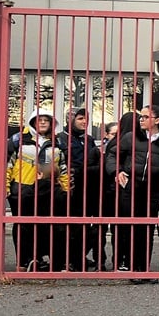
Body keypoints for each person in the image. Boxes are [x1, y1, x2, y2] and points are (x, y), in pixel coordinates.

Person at [6, 108, 70, 271]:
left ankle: (40, 259)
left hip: (47, 190)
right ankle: (23, 262)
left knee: (46, 225)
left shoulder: (57, 142)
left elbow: (63, 167)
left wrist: (65, 190)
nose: (42, 123)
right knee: (23, 226)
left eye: (46, 120)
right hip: (23, 187)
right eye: (39, 120)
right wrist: (7, 188)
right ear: (33, 122)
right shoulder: (19, 140)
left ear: (51, 123)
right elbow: (8, 165)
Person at [117, 105, 159, 283]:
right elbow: (114, 155)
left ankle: (144, 269)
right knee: (132, 228)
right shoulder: (130, 137)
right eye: (140, 117)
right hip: (132, 188)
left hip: (153, 189)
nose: (141, 119)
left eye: (145, 117)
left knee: (147, 228)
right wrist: (117, 171)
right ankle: (133, 269)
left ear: (157, 120)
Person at [57, 107, 102, 271]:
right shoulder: (60, 139)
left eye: (86, 119)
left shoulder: (89, 140)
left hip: (89, 188)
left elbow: (95, 161)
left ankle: (79, 257)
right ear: (70, 119)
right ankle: (68, 259)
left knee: (88, 226)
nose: (84, 122)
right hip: (70, 187)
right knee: (71, 225)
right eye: (80, 118)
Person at [103, 112, 136, 272]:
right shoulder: (127, 142)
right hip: (122, 190)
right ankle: (125, 260)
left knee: (120, 228)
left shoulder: (115, 141)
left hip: (113, 191)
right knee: (126, 227)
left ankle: (119, 260)